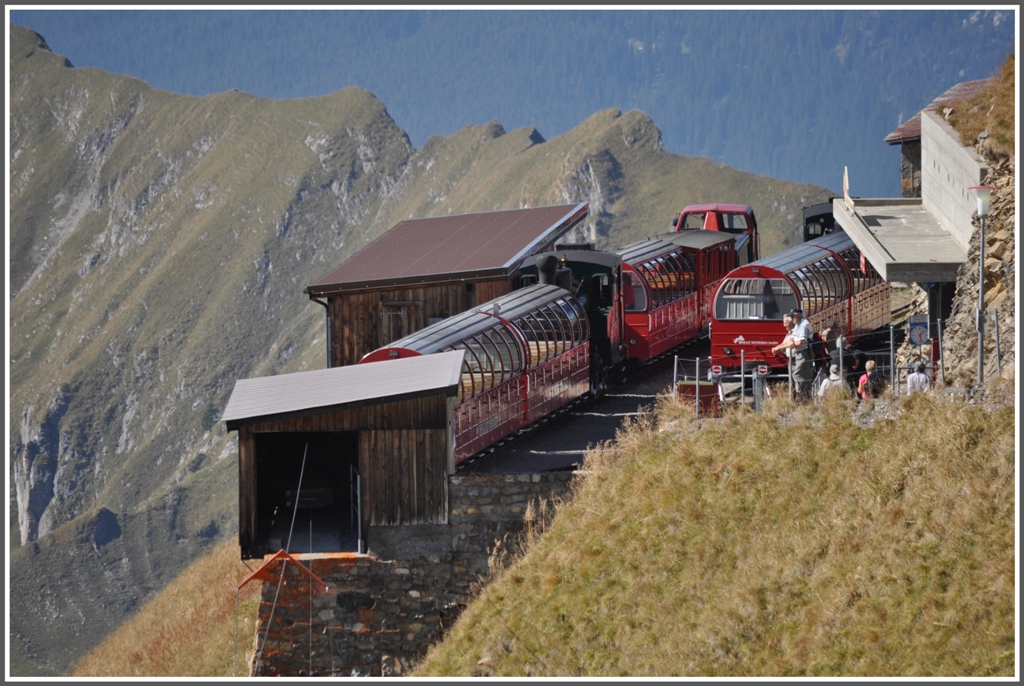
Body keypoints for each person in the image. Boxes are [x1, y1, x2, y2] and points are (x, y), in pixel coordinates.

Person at [773, 307, 814, 400]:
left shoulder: (803, 325)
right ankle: (806, 397)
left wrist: (792, 344)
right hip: (800, 353)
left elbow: (801, 342)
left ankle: (803, 395)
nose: (792, 318)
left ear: (798, 315)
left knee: (797, 375)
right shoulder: (797, 325)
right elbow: (792, 337)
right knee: (804, 375)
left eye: (793, 316)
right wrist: (792, 341)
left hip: (805, 353)